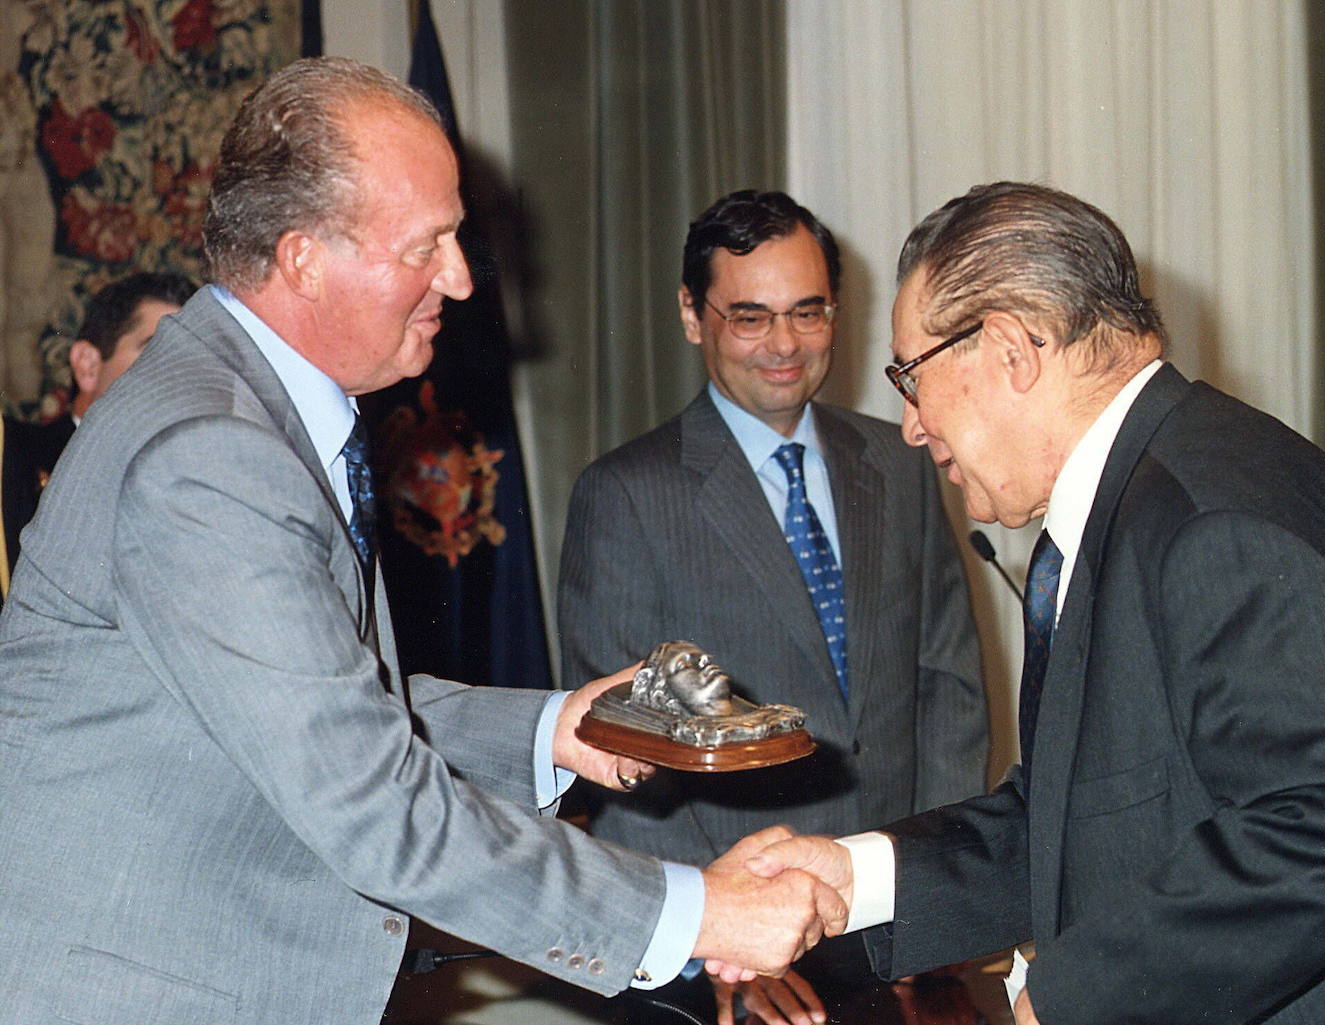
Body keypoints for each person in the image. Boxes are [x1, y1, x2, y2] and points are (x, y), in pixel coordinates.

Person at [0, 58, 847, 1025]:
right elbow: (370, 799)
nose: (458, 276)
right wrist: (697, 913)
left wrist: (555, 729)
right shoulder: (210, 455)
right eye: (426, 244)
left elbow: (311, 706)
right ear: (303, 257)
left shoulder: (238, 413)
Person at [743, 181, 1325, 1025]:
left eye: (909, 376)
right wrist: (853, 876)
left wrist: (1074, 999)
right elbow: (1072, 818)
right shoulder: (1143, 496)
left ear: (1009, 348)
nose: (910, 427)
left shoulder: (1211, 522)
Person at [560, 189, 987, 1024]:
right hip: (734, 955)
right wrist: (716, 934)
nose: (785, 346)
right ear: (693, 315)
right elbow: (627, 763)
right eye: (750, 317)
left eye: (808, 312)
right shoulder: (627, 495)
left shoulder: (901, 465)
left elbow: (949, 687)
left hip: (896, 927)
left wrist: (932, 894)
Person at [0, 270, 194, 600]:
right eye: (160, 354)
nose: (182, 380)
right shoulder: (11, 453)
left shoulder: (206, 492)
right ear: (88, 365)